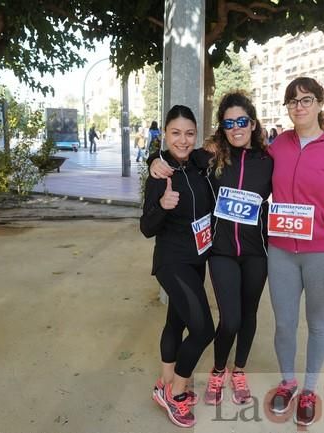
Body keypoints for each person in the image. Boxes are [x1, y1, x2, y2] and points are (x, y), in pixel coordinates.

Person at [149, 92, 273, 406]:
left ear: (252, 123)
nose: (235, 127)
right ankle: (216, 371)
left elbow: (294, 188)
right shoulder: (211, 158)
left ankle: (238, 370)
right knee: (228, 320)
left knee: (248, 316)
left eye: (241, 121)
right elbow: (177, 155)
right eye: (228, 122)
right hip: (219, 252)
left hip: (256, 252)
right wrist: (155, 161)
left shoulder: (269, 161)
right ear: (222, 127)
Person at [266, 77, 324, 426]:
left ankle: (309, 388)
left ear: (320, 103)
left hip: (322, 253)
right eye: (292, 101)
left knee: (317, 324)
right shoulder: (278, 146)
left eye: (306, 99)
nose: (298, 106)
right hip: (280, 251)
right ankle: (288, 382)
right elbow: (240, 161)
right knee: (284, 324)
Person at [140, 105, 215, 428]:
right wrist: (161, 205)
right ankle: (177, 394)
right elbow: (146, 227)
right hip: (172, 261)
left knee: (176, 322)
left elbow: (222, 150)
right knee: (203, 329)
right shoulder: (161, 175)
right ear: (165, 135)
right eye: (175, 133)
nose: (182, 140)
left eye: (188, 133)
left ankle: (164, 382)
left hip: (197, 258)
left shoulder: (200, 162)